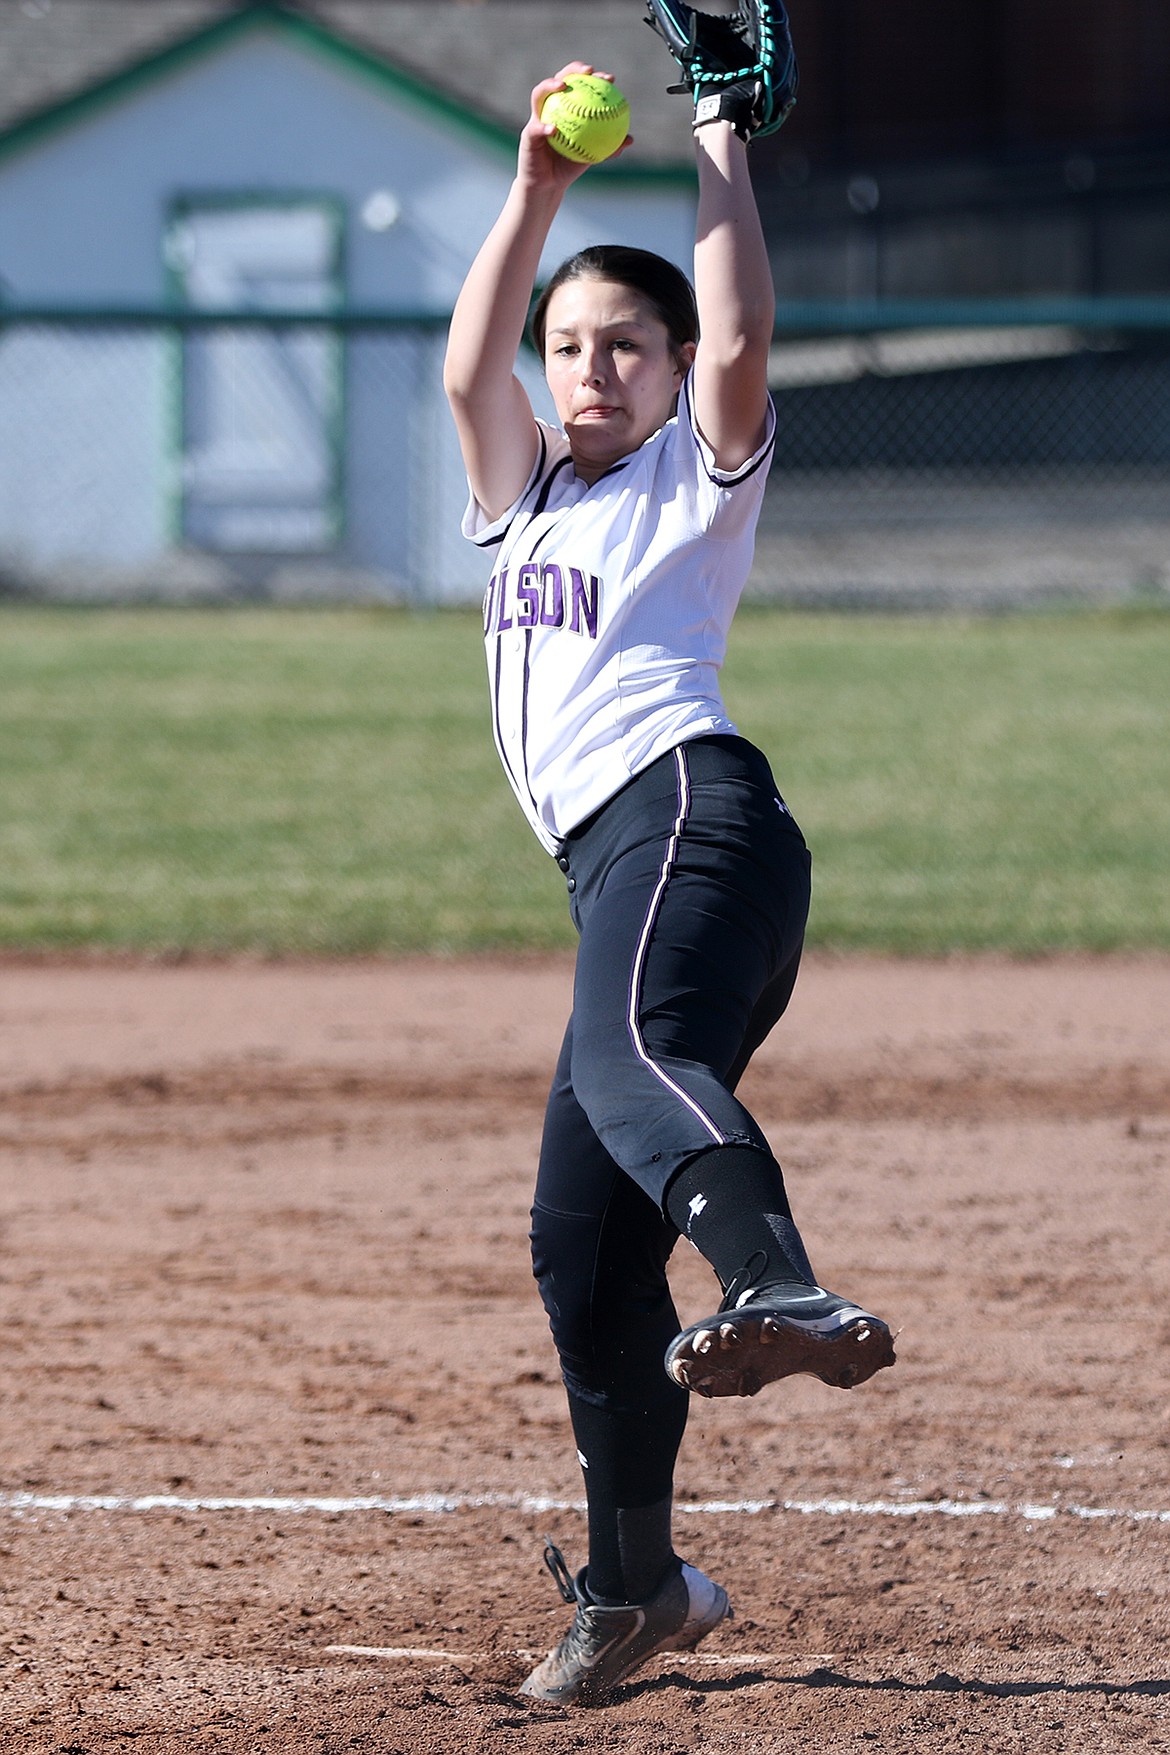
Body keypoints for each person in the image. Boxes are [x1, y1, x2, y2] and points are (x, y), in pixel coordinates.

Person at [443, 46, 896, 1708]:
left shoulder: (683, 482)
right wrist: (534, 193)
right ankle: (636, 1591)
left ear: (671, 366)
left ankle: (771, 1276)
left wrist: (718, 135)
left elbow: (747, 336)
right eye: (571, 348)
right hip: (618, 867)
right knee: (580, 1246)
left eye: (624, 346)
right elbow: (460, 371)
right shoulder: (522, 501)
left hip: (689, 816)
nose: (590, 371)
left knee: (632, 1061)